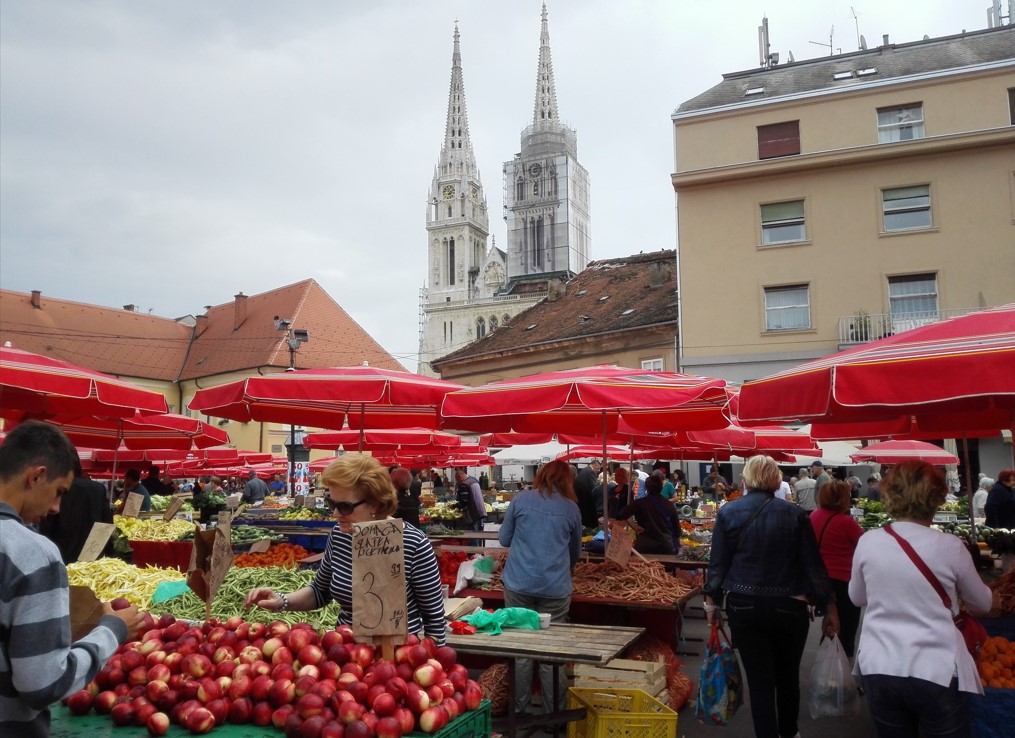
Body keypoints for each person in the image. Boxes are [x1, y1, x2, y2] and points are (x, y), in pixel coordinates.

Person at [0, 421, 145, 737]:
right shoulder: (31, 553)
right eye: (59, 493)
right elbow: (44, 683)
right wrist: (112, 631)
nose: (56, 508)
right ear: (36, 476)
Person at [850, 461, 996, 738]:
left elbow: (857, 597)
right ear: (937, 497)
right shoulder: (951, 546)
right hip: (936, 669)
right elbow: (982, 604)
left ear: (889, 494)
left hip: (880, 666)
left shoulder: (868, 541)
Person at [244, 453, 446, 644]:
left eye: (345, 507)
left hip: (397, 663)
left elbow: (434, 619)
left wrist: (431, 666)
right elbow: (319, 591)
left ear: (375, 504)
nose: (335, 514)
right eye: (332, 503)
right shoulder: (340, 536)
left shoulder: (413, 543)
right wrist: (281, 600)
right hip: (344, 655)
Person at [703, 454, 838, 738]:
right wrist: (829, 605)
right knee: (788, 677)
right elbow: (813, 564)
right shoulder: (796, 514)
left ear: (747, 479)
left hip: (744, 605)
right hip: (790, 605)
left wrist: (711, 604)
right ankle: (790, 732)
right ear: (776, 479)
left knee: (760, 682)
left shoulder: (729, 512)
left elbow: (718, 564)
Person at [498, 459, 583, 717]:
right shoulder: (571, 509)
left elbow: (503, 539)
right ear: (567, 481)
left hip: (519, 582)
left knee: (522, 650)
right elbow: (575, 553)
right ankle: (553, 717)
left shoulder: (521, 500)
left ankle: (520, 714)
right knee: (550, 653)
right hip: (555, 588)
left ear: (541, 476)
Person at [810, 480, 864, 658]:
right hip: (843, 583)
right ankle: (839, 677)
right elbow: (864, 545)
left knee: (830, 625)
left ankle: (827, 669)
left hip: (820, 581)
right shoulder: (846, 522)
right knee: (845, 631)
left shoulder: (814, 516)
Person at [38, 457, 114, 564]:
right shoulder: (98, 489)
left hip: (62, 556)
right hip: (92, 558)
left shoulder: (59, 489)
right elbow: (107, 525)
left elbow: (47, 527)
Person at [615, 472, 682, 554]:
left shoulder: (639, 503)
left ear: (647, 488)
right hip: (665, 546)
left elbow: (621, 515)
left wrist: (635, 527)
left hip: (644, 546)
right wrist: (678, 545)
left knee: (645, 567)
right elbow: (677, 529)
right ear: (661, 487)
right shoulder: (669, 505)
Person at [574, 459, 601, 528]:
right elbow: (594, 487)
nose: (598, 470)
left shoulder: (584, 470)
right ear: (595, 465)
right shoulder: (590, 472)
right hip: (587, 498)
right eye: (598, 468)